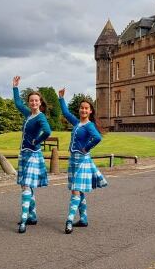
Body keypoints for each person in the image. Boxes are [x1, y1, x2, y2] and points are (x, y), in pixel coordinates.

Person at [58, 88, 107, 234]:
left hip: (82, 160)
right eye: (82, 108)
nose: (83, 110)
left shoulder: (89, 125)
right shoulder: (77, 123)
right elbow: (66, 113)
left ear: (90, 111)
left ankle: (69, 220)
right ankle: (84, 219)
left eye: (86, 108)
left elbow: (97, 138)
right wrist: (61, 98)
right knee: (79, 190)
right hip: (73, 160)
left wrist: (86, 148)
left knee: (75, 190)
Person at [12, 76, 52, 234]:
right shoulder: (28, 114)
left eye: (36, 100)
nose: (34, 103)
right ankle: (33, 216)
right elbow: (17, 103)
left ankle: (24, 219)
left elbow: (48, 131)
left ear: (40, 103)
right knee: (25, 185)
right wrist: (15, 88)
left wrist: (37, 141)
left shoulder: (40, 116)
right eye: (31, 100)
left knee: (26, 185)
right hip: (24, 153)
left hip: (33, 154)